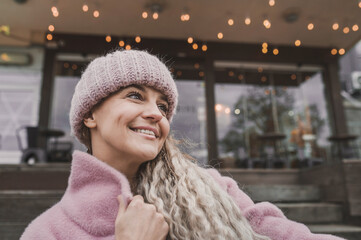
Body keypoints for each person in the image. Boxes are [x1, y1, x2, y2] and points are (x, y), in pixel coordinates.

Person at [20, 50, 344, 240]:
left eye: (163, 107)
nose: (154, 114)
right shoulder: (47, 231)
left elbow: (282, 232)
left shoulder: (210, 188)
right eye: (135, 95)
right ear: (90, 114)